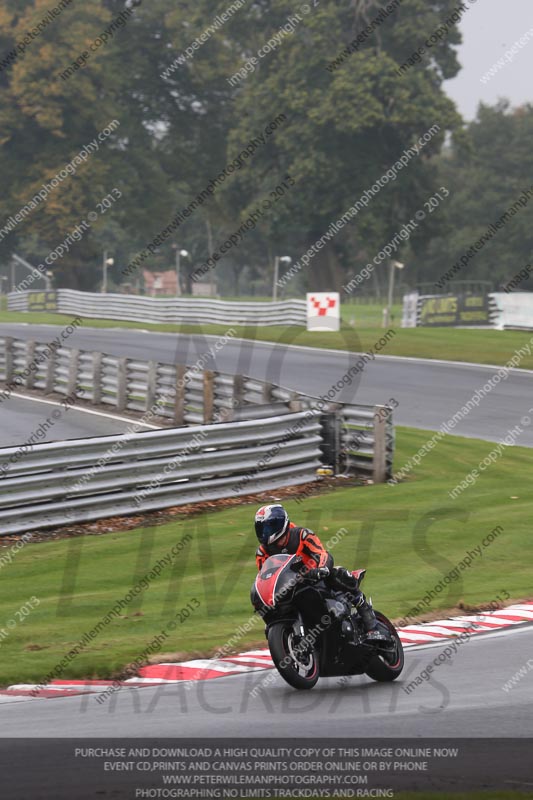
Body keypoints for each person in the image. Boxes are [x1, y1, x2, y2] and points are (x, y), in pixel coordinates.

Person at [254, 503, 381, 637]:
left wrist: (321, 569)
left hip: (314, 577)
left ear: (280, 524)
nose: (264, 532)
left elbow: (322, 554)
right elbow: (266, 578)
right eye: (261, 528)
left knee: (338, 574)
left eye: (268, 527)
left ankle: (369, 620)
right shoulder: (262, 553)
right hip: (291, 587)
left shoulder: (302, 535)